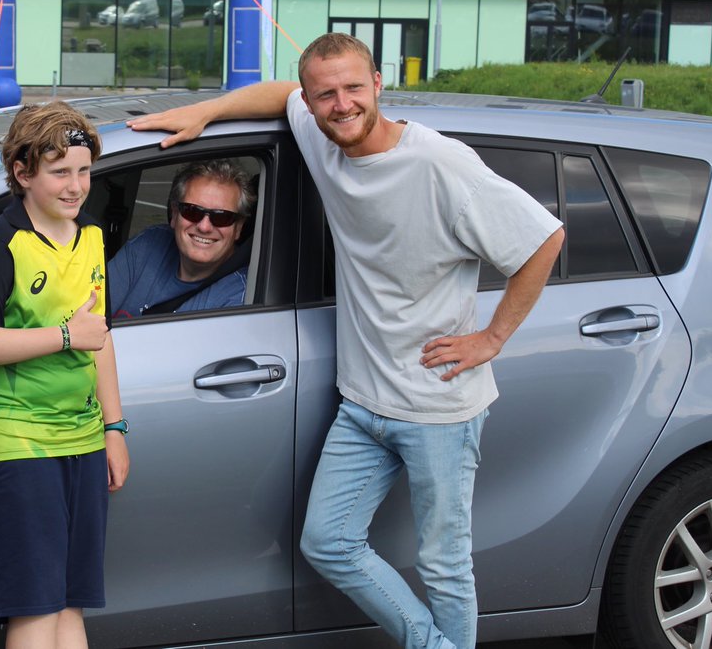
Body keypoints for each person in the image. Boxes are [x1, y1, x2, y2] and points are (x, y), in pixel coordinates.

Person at [129, 33, 564, 649]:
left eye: (354, 88)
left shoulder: (441, 163)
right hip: (364, 403)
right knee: (328, 543)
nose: (342, 104)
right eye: (325, 93)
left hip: (438, 406)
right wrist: (208, 112)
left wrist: (492, 338)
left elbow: (543, 238)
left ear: (379, 84)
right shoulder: (320, 134)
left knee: (444, 565)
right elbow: (278, 95)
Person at [0, 100, 131, 648]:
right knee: (35, 608)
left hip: (82, 439)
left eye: (84, 171)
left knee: (71, 604)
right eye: (59, 173)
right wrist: (65, 336)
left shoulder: (91, 237)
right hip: (18, 441)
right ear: (23, 174)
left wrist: (115, 430)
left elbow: (99, 339)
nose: (76, 186)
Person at [107, 159, 256, 317]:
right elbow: (88, 309)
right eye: (192, 212)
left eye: (221, 217)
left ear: (238, 227)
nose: (204, 227)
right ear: (174, 213)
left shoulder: (239, 298)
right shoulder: (148, 244)